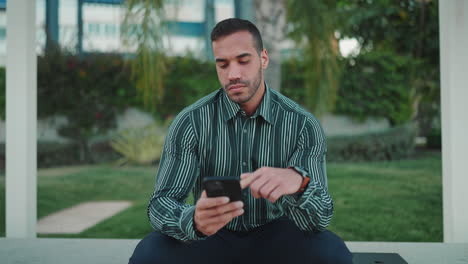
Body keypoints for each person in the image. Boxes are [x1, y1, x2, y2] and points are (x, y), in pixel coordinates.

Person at [129, 18, 352, 264]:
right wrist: (193, 220)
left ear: (263, 59)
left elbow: (317, 221)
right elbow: (161, 202)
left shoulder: (302, 124)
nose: (233, 74)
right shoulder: (190, 122)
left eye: (243, 61)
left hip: (276, 234)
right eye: (222, 64)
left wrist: (301, 184)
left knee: (333, 254)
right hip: (210, 236)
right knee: (148, 255)